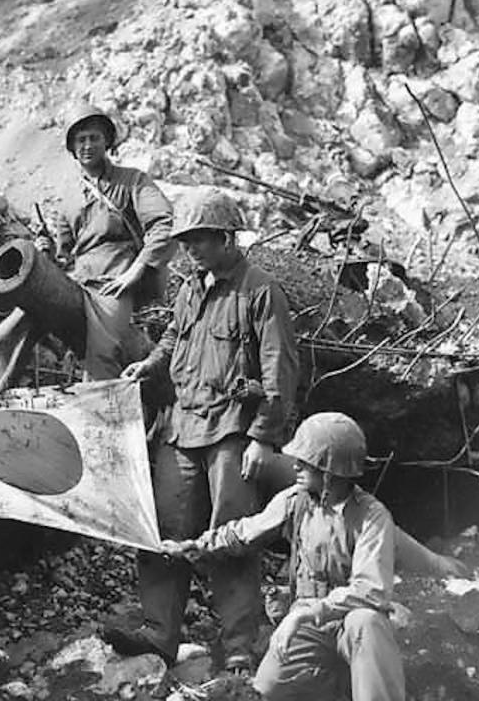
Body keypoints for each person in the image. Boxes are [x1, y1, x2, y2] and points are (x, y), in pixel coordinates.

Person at [107, 190, 299, 671]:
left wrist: (263, 437)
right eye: (185, 241)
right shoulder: (190, 288)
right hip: (182, 426)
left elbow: (280, 366)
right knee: (165, 530)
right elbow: (175, 337)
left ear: (226, 237)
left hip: (232, 432)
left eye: (200, 240)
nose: (190, 249)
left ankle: (237, 643)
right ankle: (158, 633)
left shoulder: (260, 290)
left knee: (232, 536)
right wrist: (149, 366)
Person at [161, 412, 406, 701]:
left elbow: (371, 592)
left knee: (366, 622)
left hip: (347, 621)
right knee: (266, 690)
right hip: (309, 624)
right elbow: (245, 532)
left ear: (328, 471)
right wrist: (196, 546)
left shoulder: (372, 517)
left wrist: (305, 613)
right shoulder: (295, 500)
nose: (296, 466)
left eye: (305, 461)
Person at [0, 103, 174, 390]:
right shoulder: (68, 197)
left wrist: (135, 271)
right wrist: (44, 250)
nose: (87, 145)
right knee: (6, 336)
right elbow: (64, 254)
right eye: (80, 139)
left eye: (94, 137)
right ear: (72, 147)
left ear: (106, 141)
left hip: (113, 283)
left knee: (103, 351)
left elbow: (163, 223)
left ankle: (104, 423)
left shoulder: (132, 181)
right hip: (77, 281)